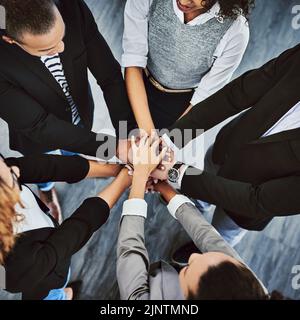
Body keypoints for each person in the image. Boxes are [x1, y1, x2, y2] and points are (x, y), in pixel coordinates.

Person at [150, 43, 300, 250]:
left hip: (244, 205)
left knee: (220, 237)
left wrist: (175, 172)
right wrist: (169, 141)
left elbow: (256, 200)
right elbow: (236, 95)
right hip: (225, 149)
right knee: (202, 188)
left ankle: (203, 250)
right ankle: (199, 202)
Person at [0, 0, 135, 221]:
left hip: (79, 112)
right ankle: (46, 189)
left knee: (74, 149)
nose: (62, 49)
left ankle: (81, 163)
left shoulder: (72, 7)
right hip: (37, 136)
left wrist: (128, 136)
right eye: (46, 49)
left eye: (62, 36)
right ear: (10, 40)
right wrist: (112, 147)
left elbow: (110, 76)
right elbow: (39, 125)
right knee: (44, 165)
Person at [116, 134, 270, 300]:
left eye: (188, 268)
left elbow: (130, 249)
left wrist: (140, 175)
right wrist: (163, 186)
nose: (193, 255)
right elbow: (207, 235)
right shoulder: (247, 288)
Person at [0, 153, 130, 300]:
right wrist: (125, 180)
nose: (16, 170)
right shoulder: (19, 268)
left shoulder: (6, 173)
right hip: (45, 279)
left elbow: (50, 167)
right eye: (10, 176)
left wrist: (116, 170)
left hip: (44, 256)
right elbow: (78, 228)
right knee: (50, 293)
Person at [122, 0, 252, 133]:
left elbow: (204, 97)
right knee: (123, 142)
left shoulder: (236, 31)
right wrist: (149, 135)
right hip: (137, 82)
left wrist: (169, 141)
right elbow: (133, 58)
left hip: (182, 106)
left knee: (155, 152)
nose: (184, 1)